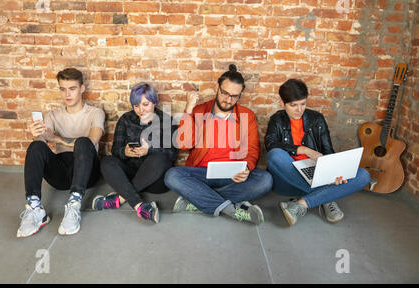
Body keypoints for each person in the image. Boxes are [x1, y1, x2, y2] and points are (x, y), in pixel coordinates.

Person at [164, 64, 273, 225]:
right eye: (225, 93)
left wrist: (247, 168)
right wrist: (188, 109)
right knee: (171, 175)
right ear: (217, 87)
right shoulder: (199, 110)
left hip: (232, 175)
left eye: (234, 96)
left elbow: (252, 149)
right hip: (202, 174)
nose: (228, 100)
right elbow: (184, 144)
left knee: (265, 180)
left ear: (240, 95)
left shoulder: (246, 115)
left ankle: (197, 200)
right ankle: (231, 209)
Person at [265, 78, 370, 226]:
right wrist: (304, 150)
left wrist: (334, 173)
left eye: (303, 104)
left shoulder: (317, 119)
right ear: (282, 103)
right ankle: (326, 197)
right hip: (288, 178)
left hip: (316, 173)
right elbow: (270, 144)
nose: (299, 109)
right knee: (275, 155)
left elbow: (328, 152)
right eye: (293, 105)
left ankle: (300, 204)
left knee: (364, 175)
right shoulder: (277, 120)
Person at [17, 68, 105, 237]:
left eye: (72, 88)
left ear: (82, 89)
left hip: (87, 172)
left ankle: (74, 204)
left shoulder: (95, 113)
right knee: (35, 146)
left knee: (83, 142)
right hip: (61, 174)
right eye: (63, 89)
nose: (67, 94)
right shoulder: (52, 115)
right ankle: (35, 207)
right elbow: (41, 145)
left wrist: (57, 139)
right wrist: (37, 135)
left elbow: (92, 140)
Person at [92, 82, 178, 223]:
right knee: (107, 161)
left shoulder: (167, 121)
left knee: (160, 158)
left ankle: (119, 198)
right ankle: (140, 206)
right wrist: (124, 152)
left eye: (145, 104)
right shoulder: (126, 119)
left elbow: (171, 154)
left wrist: (148, 150)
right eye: (136, 105)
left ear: (154, 102)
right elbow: (115, 150)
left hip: (155, 180)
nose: (140, 110)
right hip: (130, 173)